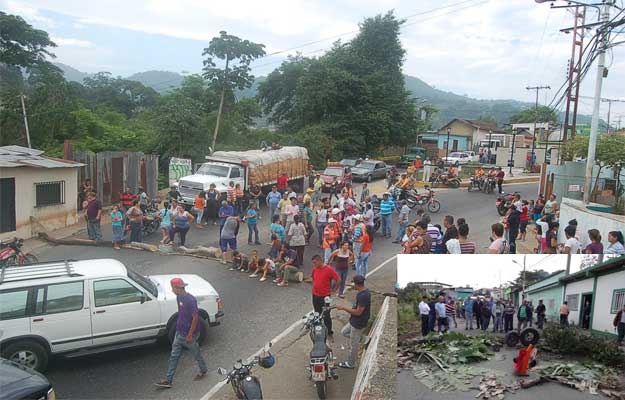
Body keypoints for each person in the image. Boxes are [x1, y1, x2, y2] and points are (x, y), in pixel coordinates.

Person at [155, 278, 207, 389]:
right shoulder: (178, 297)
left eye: (173, 288)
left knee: (196, 353)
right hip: (179, 332)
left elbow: (195, 318)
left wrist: (189, 334)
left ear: (178, 288)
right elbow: (181, 312)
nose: (172, 290)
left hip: (189, 334)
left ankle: (203, 369)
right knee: (174, 356)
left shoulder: (190, 300)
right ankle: (168, 380)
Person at [337, 275, 371, 369]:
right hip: (354, 321)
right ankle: (365, 339)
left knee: (353, 345)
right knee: (344, 332)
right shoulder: (362, 292)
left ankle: (350, 363)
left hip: (358, 323)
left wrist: (343, 308)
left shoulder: (364, 295)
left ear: (357, 284)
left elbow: (358, 312)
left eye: (353, 283)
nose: (352, 285)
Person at [310, 255, 340, 335]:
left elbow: (338, 280)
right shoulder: (315, 269)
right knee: (317, 313)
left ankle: (329, 331)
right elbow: (313, 278)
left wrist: (334, 290)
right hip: (315, 295)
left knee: (326, 314)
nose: (314, 265)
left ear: (320, 261)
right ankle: (318, 329)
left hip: (325, 296)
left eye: (315, 263)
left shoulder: (329, 269)